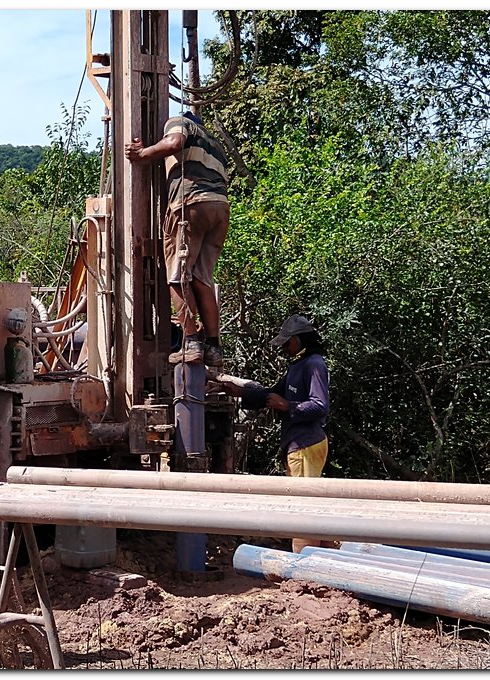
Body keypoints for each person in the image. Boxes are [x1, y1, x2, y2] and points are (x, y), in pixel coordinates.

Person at [124, 110, 231, 367]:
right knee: (202, 278)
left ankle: (191, 342)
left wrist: (143, 154)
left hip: (191, 203)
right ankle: (214, 347)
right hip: (220, 209)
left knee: (177, 276)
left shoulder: (180, 122)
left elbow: (174, 142)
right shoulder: (215, 146)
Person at [225, 314, 330, 553]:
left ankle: (305, 562)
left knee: (303, 508)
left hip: (306, 444)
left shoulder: (314, 364)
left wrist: (287, 406)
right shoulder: (297, 366)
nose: (283, 347)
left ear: (300, 339)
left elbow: (320, 405)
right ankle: (322, 557)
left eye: (287, 342)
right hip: (298, 444)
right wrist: (239, 392)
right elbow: (272, 394)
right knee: (303, 504)